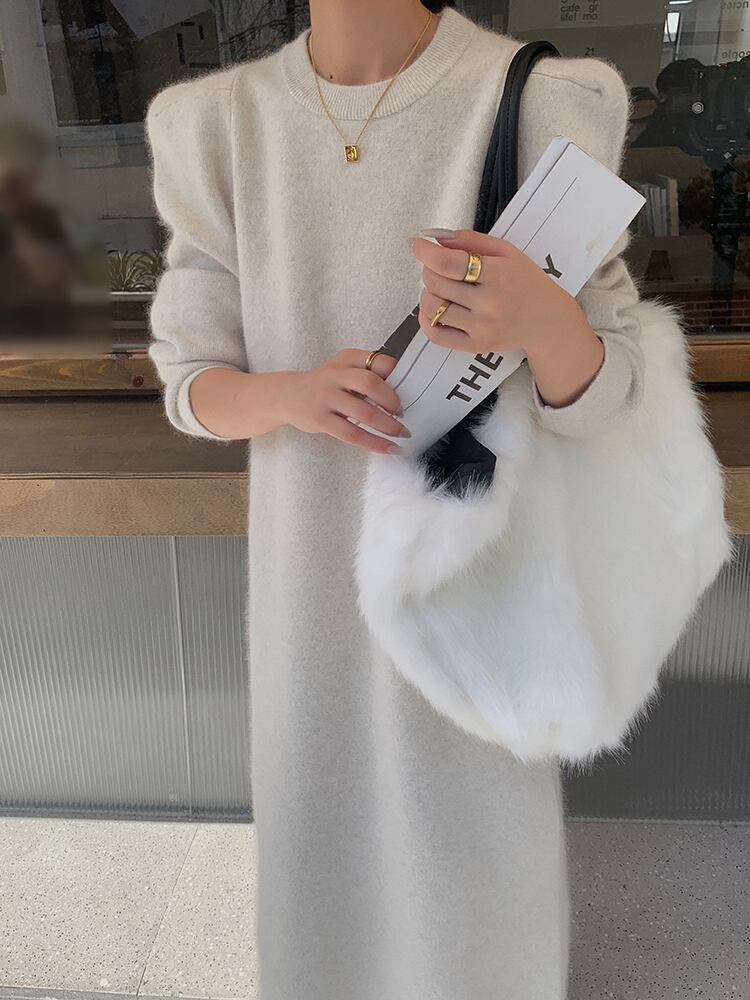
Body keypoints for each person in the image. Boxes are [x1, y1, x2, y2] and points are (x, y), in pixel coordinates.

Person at [145, 2, 645, 997]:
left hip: (478, 582)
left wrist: (546, 323)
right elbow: (189, 382)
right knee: (323, 878)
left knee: (482, 883)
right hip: (308, 591)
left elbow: (613, 396)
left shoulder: (542, 101)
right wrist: (294, 394)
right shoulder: (215, 124)